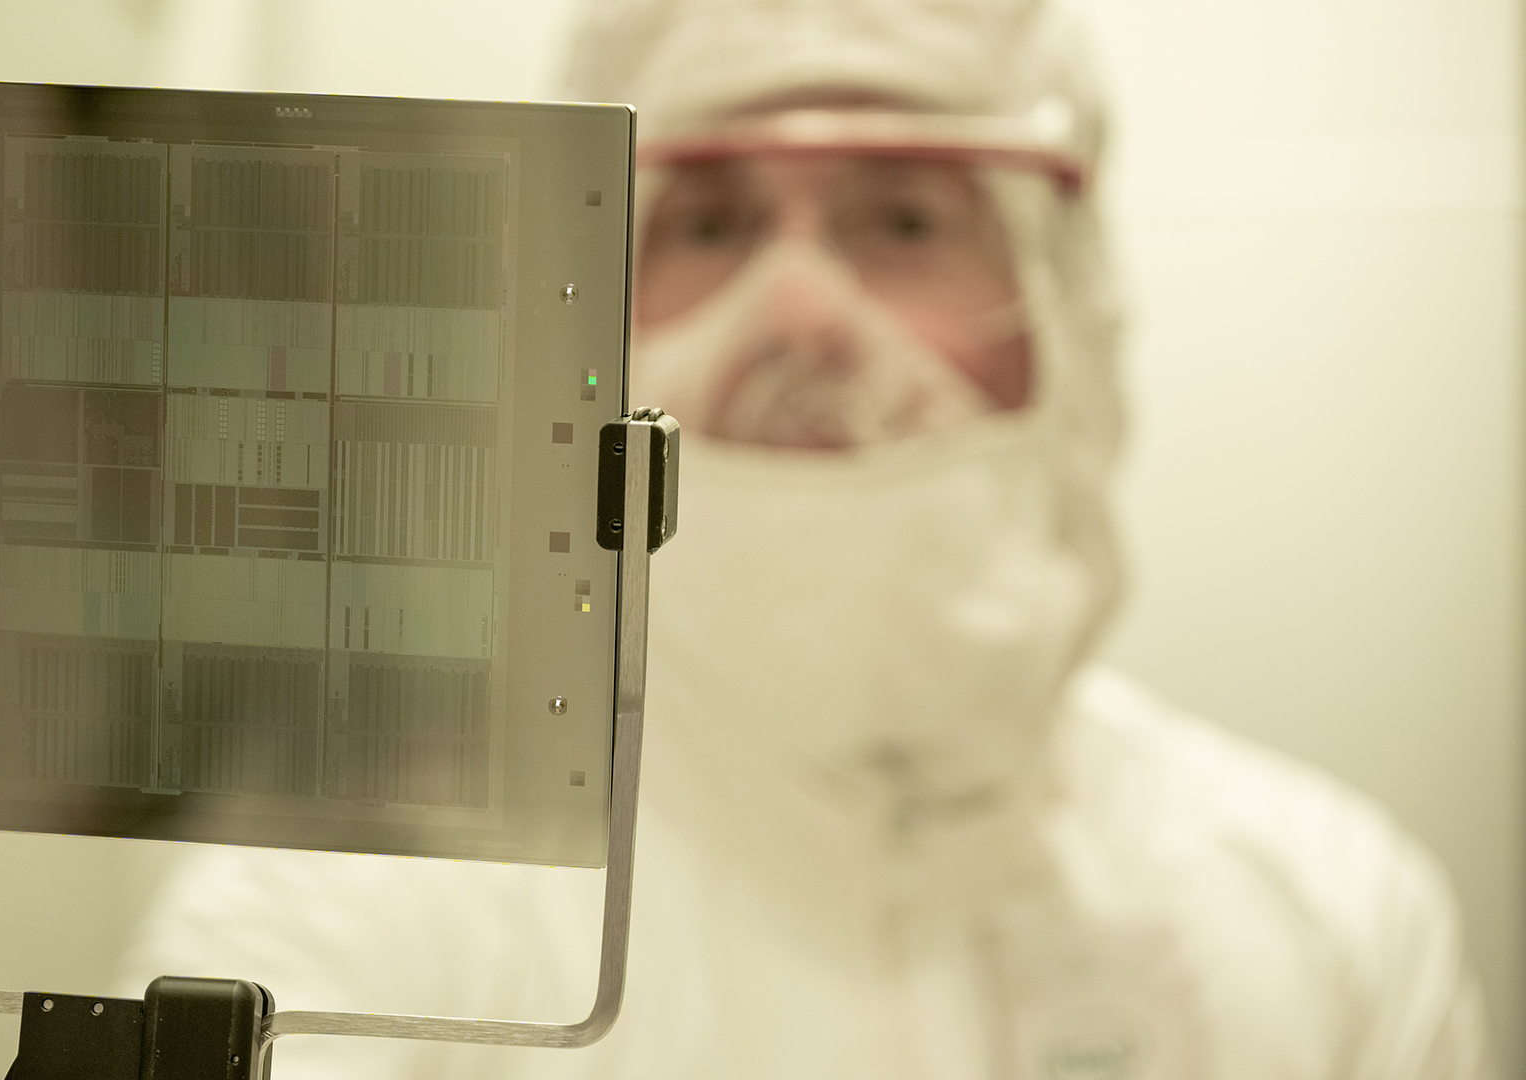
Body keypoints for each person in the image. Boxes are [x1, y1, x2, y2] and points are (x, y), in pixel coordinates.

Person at [122, 0, 1493, 1076]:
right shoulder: (362, 904)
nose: (798, 314)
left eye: (902, 219)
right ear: (586, 329)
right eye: (712, 225)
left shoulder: (1327, 919)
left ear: (1067, 314)